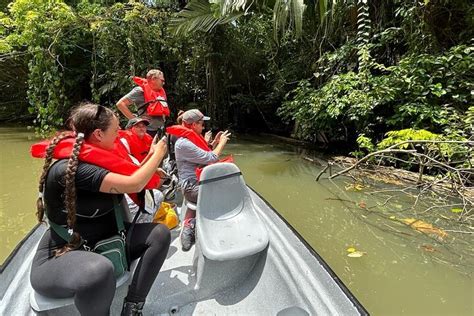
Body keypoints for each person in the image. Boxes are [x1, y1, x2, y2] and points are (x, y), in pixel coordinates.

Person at [30, 103, 170, 316]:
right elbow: (135, 184)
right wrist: (159, 153)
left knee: (160, 234)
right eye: (115, 131)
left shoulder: (103, 159)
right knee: (100, 270)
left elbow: (135, 176)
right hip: (63, 254)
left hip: (107, 241)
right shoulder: (72, 169)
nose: (119, 135)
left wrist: (150, 159)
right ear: (98, 134)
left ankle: (133, 306)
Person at [166, 109, 231, 251]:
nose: (203, 127)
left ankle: (193, 222)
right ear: (194, 125)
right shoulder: (183, 143)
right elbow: (211, 158)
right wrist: (223, 143)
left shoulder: (191, 139)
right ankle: (193, 224)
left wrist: (214, 143)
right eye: (201, 124)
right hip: (192, 187)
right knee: (227, 193)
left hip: (199, 181)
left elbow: (205, 155)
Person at [116, 69, 169, 137]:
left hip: (160, 129)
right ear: (153, 79)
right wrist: (135, 120)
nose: (163, 83)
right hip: (147, 130)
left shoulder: (160, 93)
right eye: (162, 80)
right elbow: (120, 104)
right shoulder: (140, 90)